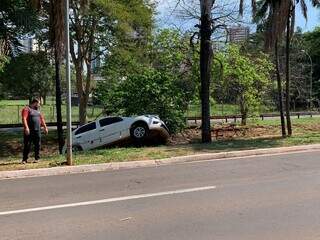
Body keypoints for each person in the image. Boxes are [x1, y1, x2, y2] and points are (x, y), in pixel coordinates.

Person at [21, 98, 48, 164]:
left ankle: (37, 159)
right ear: (35, 103)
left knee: (38, 145)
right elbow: (24, 118)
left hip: (37, 130)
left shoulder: (38, 111)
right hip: (29, 131)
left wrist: (45, 127)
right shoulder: (26, 109)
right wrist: (26, 128)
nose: (39, 105)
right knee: (27, 145)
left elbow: (41, 119)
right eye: (39, 103)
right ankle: (24, 159)